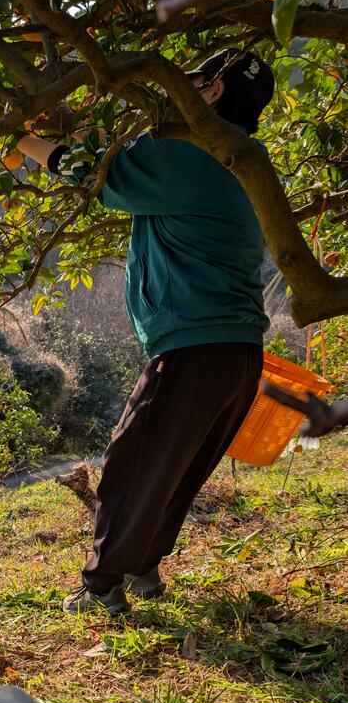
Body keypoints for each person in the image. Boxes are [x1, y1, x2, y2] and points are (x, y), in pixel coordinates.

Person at [17, 49, 276, 614]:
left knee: (133, 462)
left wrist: (21, 141)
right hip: (238, 351)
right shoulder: (244, 159)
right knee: (175, 468)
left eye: (197, 78)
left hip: (195, 344)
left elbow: (96, 174)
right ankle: (142, 568)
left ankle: (103, 584)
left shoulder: (187, 149)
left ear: (209, 93)